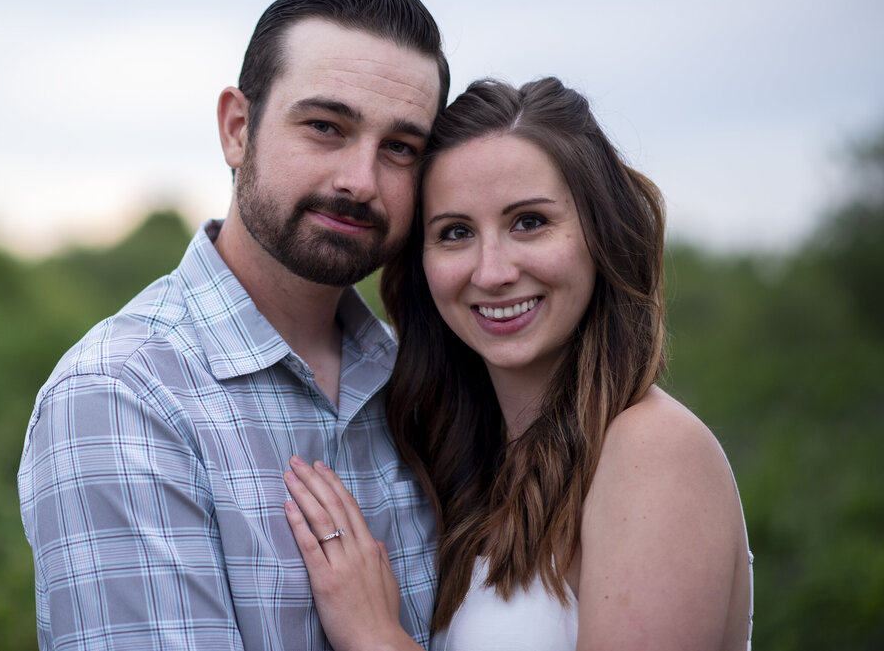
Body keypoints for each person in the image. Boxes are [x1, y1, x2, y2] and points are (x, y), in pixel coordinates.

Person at [17, 0, 451, 650]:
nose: (360, 180)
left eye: (400, 148)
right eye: (326, 126)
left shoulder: (424, 382)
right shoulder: (123, 393)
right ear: (237, 128)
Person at [283, 77, 754, 650]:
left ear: (600, 231)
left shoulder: (654, 450)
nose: (492, 271)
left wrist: (375, 635)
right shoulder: (468, 465)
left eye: (528, 222)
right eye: (455, 233)